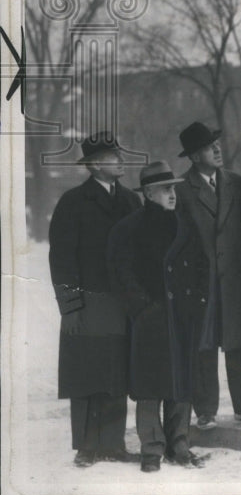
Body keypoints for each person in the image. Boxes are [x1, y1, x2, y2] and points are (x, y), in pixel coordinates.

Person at [107, 161, 211, 472]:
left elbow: (202, 265)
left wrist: (196, 303)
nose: (172, 193)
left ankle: (179, 444)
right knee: (150, 386)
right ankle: (151, 449)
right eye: (166, 189)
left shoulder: (184, 223)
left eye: (174, 188)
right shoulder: (129, 227)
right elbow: (120, 273)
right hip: (150, 319)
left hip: (182, 316)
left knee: (181, 383)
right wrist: (142, 307)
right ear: (149, 193)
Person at [48, 131, 141, 467]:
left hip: (122, 304)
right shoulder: (73, 202)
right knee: (86, 375)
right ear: (93, 165)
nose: (120, 160)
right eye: (113, 155)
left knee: (116, 373)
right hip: (88, 304)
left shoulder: (132, 201)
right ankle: (87, 446)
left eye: (119, 154)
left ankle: (113, 443)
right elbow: (61, 260)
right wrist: (70, 307)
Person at [174, 120, 241, 429]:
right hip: (201, 281)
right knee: (203, 346)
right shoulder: (182, 190)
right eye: (207, 147)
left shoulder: (236, 182)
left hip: (236, 279)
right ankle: (205, 411)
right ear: (193, 156)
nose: (216, 149)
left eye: (216, 144)